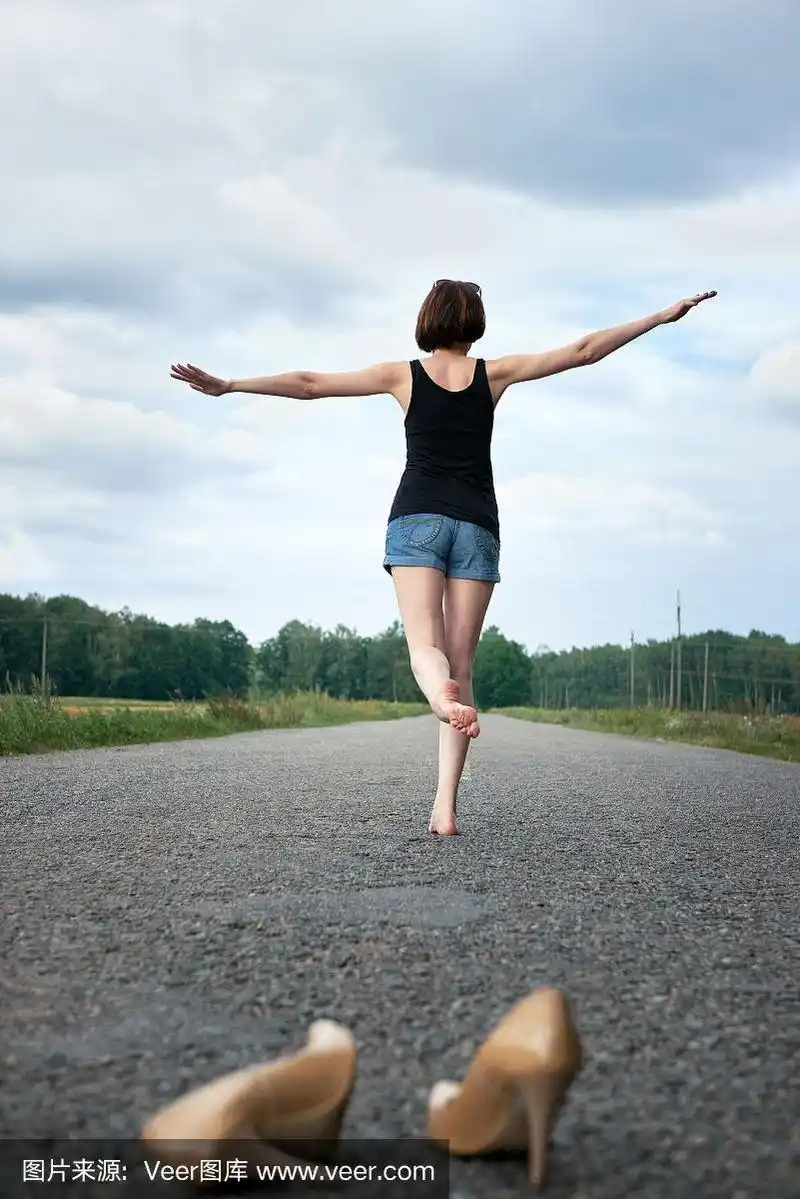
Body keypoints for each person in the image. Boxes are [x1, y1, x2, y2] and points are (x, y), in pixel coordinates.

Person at [171, 280, 716, 835]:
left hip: (417, 521)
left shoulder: (401, 375)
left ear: (428, 319)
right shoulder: (494, 374)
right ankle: (444, 807)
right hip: (478, 524)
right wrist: (661, 317)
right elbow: (582, 351)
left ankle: (437, 700)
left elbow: (311, 384)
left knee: (424, 650)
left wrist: (231, 385)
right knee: (462, 664)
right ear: (474, 320)